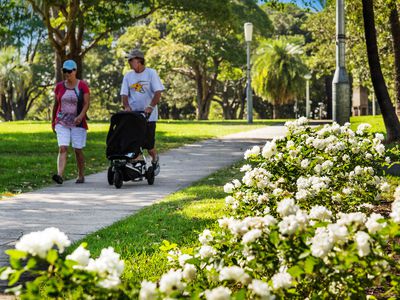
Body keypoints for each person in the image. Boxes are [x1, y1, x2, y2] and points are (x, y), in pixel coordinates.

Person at [120, 49, 164, 175]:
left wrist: (150, 106)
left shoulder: (151, 73)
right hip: (133, 115)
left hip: (149, 116)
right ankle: (137, 162)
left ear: (139, 60)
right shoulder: (128, 75)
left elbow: (158, 93)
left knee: (149, 144)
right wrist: (126, 106)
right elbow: (124, 94)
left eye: (131, 60)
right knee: (133, 141)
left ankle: (155, 159)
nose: (129, 62)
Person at [51, 59, 90, 184]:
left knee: (77, 150)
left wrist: (81, 115)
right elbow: (56, 105)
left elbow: (86, 103)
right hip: (62, 122)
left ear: (75, 71)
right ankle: (59, 175)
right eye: (64, 71)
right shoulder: (59, 87)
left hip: (77, 122)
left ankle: (81, 174)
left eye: (69, 71)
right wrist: (53, 121)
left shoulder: (82, 85)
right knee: (62, 148)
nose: (67, 73)